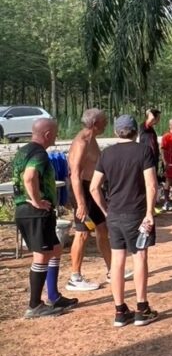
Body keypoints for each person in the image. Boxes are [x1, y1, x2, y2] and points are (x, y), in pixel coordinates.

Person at [90, 115, 159, 327]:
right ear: (135, 131)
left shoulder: (107, 153)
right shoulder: (143, 151)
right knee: (139, 257)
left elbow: (94, 187)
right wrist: (150, 212)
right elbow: (151, 185)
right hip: (137, 213)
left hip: (115, 214)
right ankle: (142, 309)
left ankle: (120, 311)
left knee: (117, 261)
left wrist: (106, 210)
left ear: (116, 132)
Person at [12, 117, 78, 318]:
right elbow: (29, 177)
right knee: (41, 255)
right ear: (47, 134)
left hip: (28, 211)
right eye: (55, 133)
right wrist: (37, 200)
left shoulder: (24, 150)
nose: (56, 137)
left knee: (55, 249)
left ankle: (54, 296)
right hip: (35, 212)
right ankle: (34, 306)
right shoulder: (39, 154)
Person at [66, 108, 112, 291]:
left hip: (92, 188)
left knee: (102, 228)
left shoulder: (93, 138)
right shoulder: (81, 142)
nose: (106, 123)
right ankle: (74, 278)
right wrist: (81, 203)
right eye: (104, 121)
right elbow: (75, 175)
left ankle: (112, 270)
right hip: (80, 190)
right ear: (95, 124)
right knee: (83, 233)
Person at [139, 107, 162, 212]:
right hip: (146, 159)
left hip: (153, 159)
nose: (159, 120)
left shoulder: (152, 129)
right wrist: (151, 113)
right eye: (158, 117)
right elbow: (150, 120)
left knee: (153, 181)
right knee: (148, 183)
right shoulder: (144, 127)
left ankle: (151, 205)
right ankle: (146, 206)